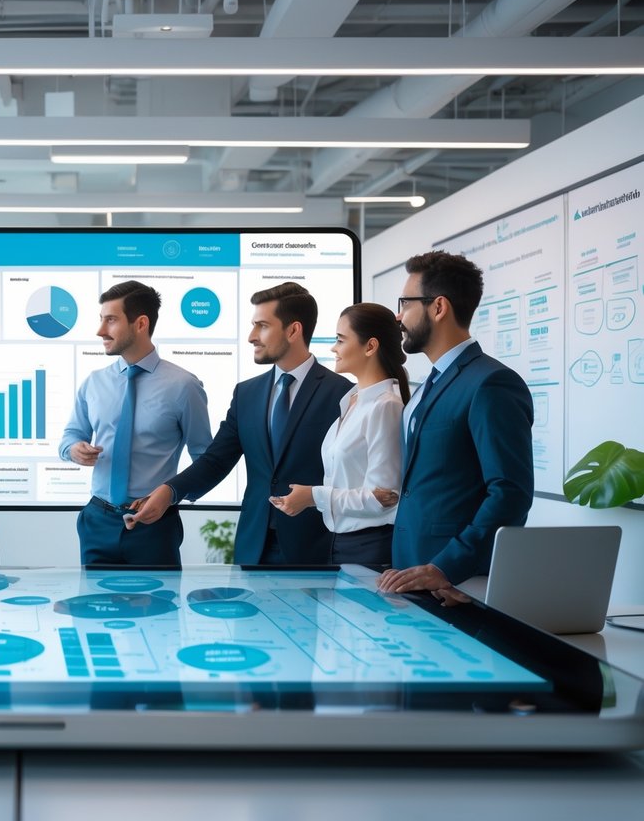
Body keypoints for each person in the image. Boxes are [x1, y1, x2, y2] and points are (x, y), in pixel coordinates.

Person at [127, 282, 353, 565]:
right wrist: (170, 491)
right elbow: (216, 460)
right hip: (254, 546)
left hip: (317, 548)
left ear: (293, 330)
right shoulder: (247, 393)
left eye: (262, 326)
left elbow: (351, 476)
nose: (251, 336)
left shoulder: (342, 393)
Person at [376, 250, 533, 597]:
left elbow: (509, 492)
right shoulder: (426, 388)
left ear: (438, 307)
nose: (398, 316)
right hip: (411, 573)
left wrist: (448, 566)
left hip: (456, 584)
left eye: (405, 303)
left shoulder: (491, 383)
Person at [58, 281, 212, 566]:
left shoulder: (184, 386)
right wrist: (73, 449)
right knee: (92, 607)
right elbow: (69, 436)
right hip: (97, 522)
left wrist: (172, 494)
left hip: (153, 527)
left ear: (140, 323)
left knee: (159, 610)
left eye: (111, 320)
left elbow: (206, 459)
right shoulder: (94, 383)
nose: (100, 330)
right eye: (101, 320)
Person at [268, 303, 409, 566]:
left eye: (340, 340)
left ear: (370, 347)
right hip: (338, 544)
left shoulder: (385, 406)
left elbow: (385, 498)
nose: (333, 348)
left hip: (369, 548)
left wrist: (314, 496)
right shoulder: (351, 401)